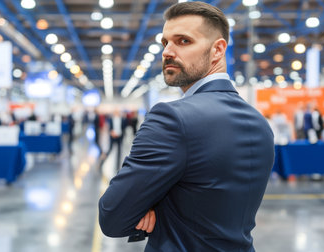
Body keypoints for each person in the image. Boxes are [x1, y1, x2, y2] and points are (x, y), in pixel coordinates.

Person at [98, 2, 275, 252]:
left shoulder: (171, 118)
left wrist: (153, 210)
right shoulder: (259, 123)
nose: (167, 52)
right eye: (165, 42)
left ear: (217, 50)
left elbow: (112, 216)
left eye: (183, 41)